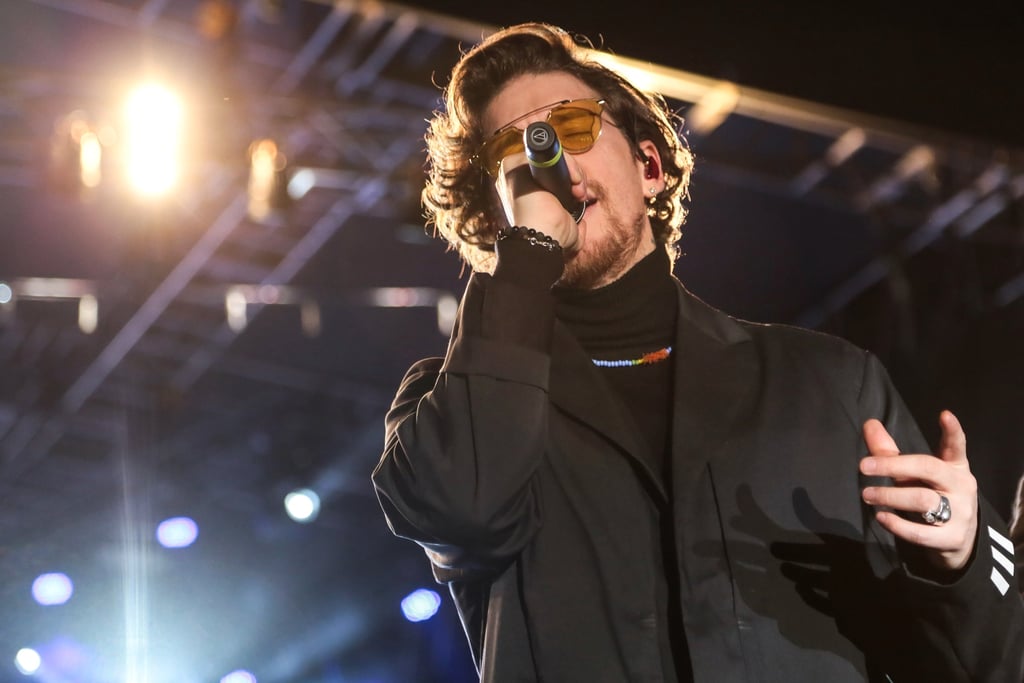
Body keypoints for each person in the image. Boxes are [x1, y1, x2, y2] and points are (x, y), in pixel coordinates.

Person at [372, 22, 1024, 682]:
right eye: (511, 151)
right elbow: (462, 508)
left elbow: (996, 662)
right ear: (496, 215)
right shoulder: (447, 407)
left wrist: (962, 559)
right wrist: (529, 252)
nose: (549, 162)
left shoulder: (827, 381)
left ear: (650, 168)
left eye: (571, 126)